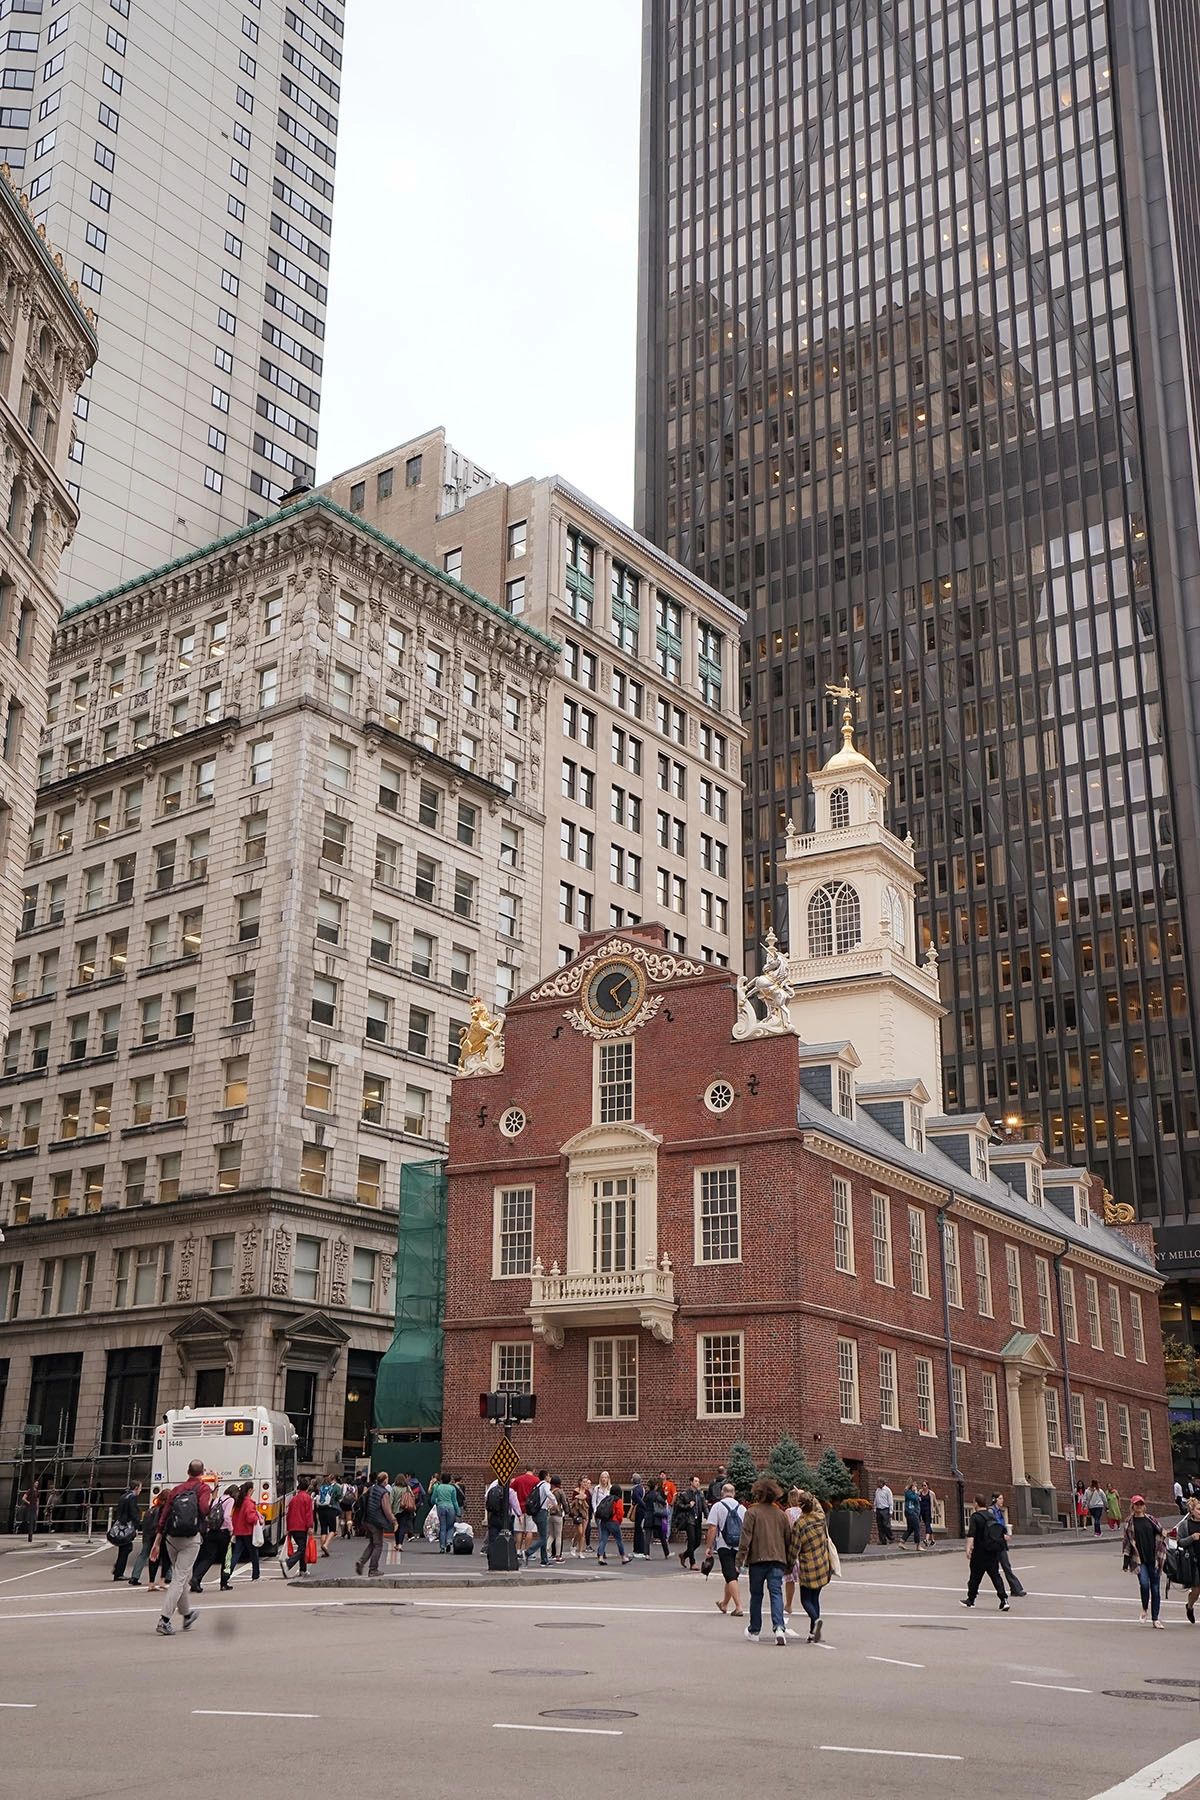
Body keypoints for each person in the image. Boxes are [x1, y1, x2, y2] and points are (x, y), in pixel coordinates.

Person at [154, 1458, 213, 1636]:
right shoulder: (203, 1488)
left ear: (188, 1472)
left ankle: (187, 1614)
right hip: (191, 1539)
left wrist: (157, 1542)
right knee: (179, 1579)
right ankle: (164, 1619)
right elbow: (204, 1510)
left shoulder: (177, 1490)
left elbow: (164, 1517)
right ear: (202, 1473)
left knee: (183, 1577)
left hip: (171, 1538)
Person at [736, 1475, 792, 1645]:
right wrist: (789, 1562)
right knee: (776, 1592)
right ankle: (779, 1628)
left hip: (758, 1559)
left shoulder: (752, 1512)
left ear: (758, 1494)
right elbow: (788, 1539)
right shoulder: (781, 1515)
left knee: (757, 1595)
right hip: (778, 1559)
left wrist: (739, 1560)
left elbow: (745, 1538)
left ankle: (754, 1630)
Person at [790, 1490, 834, 1644]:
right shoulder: (820, 1518)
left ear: (800, 1506)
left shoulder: (800, 1523)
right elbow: (819, 1506)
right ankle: (812, 1633)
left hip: (808, 1566)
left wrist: (789, 1564)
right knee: (815, 1598)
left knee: (805, 1600)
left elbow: (794, 1548)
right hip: (822, 1563)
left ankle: (815, 1621)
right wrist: (807, 1495)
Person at [960, 1494, 1010, 1611]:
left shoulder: (975, 1517)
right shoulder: (991, 1516)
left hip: (979, 1552)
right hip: (992, 1551)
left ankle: (971, 1599)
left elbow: (971, 1534)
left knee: (975, 1577)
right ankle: (1004, 1599)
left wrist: (968, 1548)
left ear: (976, 1503)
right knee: (996, 1576)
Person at [1123, 1495, 1166, 1628]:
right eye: (1137, 1504)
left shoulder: (1151, 1520)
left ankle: (1155, 1618)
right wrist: (1125, 1562)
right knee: (1144, 1584)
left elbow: (1161, 1532)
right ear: (1133, 1506)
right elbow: (1127, 1543)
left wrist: (1165, 1533)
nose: (1139, 1506)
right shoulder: (1129, 1523)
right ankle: (1144, 1609)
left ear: (1144, 1506)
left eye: (1141, 1504)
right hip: (1139, 1559)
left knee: (1156, 1589)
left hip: (1154, 1559)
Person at [706, 1481, 745, 1617]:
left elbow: (712, 1528)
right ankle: (724, 1604)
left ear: (722, 1493)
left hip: (724, 1545)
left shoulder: (717, 1506)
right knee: (732, 1576)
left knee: (730, 1575)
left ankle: (739, 1606)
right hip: (739, 1546)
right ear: (733, 1493)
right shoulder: (742, 1508)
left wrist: (709, 1546)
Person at [191, 1485, 236, 1594]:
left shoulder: (217, 1499)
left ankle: (196, 1578)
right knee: (226, 1558)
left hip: (212, 1531)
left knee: (208, 1557)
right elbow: (226, 1516)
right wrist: (231, 1529)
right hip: (223, 1532)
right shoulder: (230, 1500)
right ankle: (224, 1583)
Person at [355, 1470, 396, 1576]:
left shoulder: (371, 1489)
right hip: (377, 1521)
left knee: (372, 1543)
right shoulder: (384, 1492)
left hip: (368, 1519)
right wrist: (393, 1521)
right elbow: (386, 1509)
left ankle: (361, 1561)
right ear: (385, 1480)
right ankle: (373, 1569)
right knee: (378, 1545)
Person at [127, 1490, 170, 1589]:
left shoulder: (150, 1510)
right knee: (166, 1557)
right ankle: (165, 1578)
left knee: (146, 1556)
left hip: (148, 1537)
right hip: (159, 1537)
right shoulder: (163, 1510)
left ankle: (136, 1577)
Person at [989, 1493, 1026, 1597]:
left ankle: (1015, 1588)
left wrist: (1006, 1532)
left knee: (1006, 1566)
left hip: (1000, 1542)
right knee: (986, 1567)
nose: (1002, 1500)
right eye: (1000, 1498)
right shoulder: (991, 1511)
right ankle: (973, 1588)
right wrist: (1002, 1535)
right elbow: (992, 1527)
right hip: (995, 1543)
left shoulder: (999, 1512)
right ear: (994, 1499)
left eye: (1002, 1498)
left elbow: (1000, 1525)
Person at [229, 1481, 263, 1581]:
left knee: (236, 1554)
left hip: (239, 1531)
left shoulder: (239, 1501)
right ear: (249, 1490)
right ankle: (255, 1575)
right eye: (253, 1489)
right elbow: (250, 1517)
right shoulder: (249, 1502)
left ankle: (226, 1574)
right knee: (254, 1555)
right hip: (248, 1531)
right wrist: (258, 1518)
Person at [282, 1476, 315, 1577]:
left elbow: (289, 1513)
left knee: (302, 1548)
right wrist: (310, 1526)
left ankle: (303, 1569)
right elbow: (308, 1514)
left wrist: (288, 1528)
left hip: (293, 1526)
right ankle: (289, 1563)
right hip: (302, 1526)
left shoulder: (294, 1499)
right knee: (302, 1549)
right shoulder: (307, 1498)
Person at [110, 1480, 142, 1581]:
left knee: (124, 1548)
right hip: (127, 1526)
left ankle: (118, 1569)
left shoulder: (124, 1496)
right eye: (140, 1488)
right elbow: (133, 1513)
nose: (140, 1490)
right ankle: (119, 1572)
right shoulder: (132, 1497)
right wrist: (136, 1527)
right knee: (126, 1548)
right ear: (136, 1488)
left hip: (121, 1524)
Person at [1177, 1493, 1200, 1625]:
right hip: (1193, 1562)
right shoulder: (1185, 1525)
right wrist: (1192, 1538)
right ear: (1191, 1510)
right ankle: (1189, 1606)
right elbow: (1180, 1542)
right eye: (1198, 1509)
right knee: (1196, 1591)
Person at [595, 1480, 631, 1565]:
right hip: (613, 1522)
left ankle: (600, 1557)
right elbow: (620, 1513)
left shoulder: (606, 1499)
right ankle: (623, 1557)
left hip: (604, 1521)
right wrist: (619, 1521)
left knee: (603, 1540)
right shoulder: (618, 1500)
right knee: (619, 1540)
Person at [522, 1470, 552, 1567]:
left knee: (542, 1536)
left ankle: (544, 1559)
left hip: (536, 1513)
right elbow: (548, 1494)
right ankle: (528, 1552)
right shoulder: (546, 1485)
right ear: (546, 1476)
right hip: (542, 1512)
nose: (550, 1478)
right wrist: (555, 1502)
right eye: (549, 1476)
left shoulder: (538, 1485)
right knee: (544, 1538)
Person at [676, 1475, 706, 1570]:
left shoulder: (700, 1494)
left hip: (698, 1520)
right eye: (696, 1481)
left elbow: (704, 1506)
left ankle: (684, 1555)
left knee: (697, 1542)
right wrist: (688, 1506)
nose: (698, 1483)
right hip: (689, 1519)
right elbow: (678, 1505)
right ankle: (692, 1563)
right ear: (691, 1482)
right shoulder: (685, 1494)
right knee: (692, 1540)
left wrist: (708, 1516)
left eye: (698, 1481)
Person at [429, 1472, 462, 1555]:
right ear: (449, 1480)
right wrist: (458, 1511)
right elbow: (454, 1501)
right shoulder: (452, 1488)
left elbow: (432, 1500)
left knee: (442, 1527)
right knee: (450, 1526)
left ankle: (442, 1547)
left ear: (442, 1479)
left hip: (441, 1507)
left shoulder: (438, 1488)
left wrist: (437, 1502)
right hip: (450, 1507)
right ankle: (449, 1541)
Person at [315, 1474, 341, 1556]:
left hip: (321, 1510)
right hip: (331, 1509)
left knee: (323, 1529)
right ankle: (326, 1545)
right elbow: (339, 1496)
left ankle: (323, 1548)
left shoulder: (321, 1488)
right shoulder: (335, 1487)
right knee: (332, 1530)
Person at [648, 1479, 672, 1557]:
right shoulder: (656, 1494)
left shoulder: (647, 1494)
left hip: (649, 1517)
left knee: (647, 1537)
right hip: (657, 1517)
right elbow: (663, 1502)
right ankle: (667, 1553)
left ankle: (647, 1554)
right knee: (662, 1536)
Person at [545, 1477, 566, 1563]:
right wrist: (567, 1511)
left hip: (550, 1514)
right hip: (558, 1514)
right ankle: (558, 1556)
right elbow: (564, 1502)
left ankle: (546, 1550)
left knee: (551, 1535)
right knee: (558, 1536)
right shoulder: (560, 1492)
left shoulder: (549, 1491)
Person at [567, 1481, 589, 1557]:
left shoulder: (587, 1492)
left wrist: (583, 1497)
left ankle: (580, 1552)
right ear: (580, 1483)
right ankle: (573, 1545)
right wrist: (578, 1497)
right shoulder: (575, 1491)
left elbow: (588, 1503)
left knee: (583, 1533)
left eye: (586, 1482)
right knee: (579, 1532)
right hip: (577, 1513)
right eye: (584, 1482)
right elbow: (572, 1502)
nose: (585, 1484)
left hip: (585, 1514)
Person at [629, 1473, 648, 1558]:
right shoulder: (641, 1488)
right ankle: (638, 1549)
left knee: (638, 1530)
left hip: (639, 1510)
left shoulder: (636, 1489)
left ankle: (639, 1550)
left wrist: (644, 1506)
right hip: (641, 1510)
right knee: (639, 1529)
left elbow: (638, 1500)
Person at [873, 1479, 894, 1545]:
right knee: (880, 1526)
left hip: (885, 1509)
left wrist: (891, 1511)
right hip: (878, 1509)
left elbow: (890, 1501)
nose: (877, 1484)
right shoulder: (877, 1490)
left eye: (878, 1482)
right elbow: (876, 1500)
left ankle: (891, 1538)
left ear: (882, 1483)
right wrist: (875, 1508)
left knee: (886, 1525)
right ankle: (882, 1540)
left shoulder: (887, 1490)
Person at [901, 1479, 921, 1548]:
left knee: (910, 1528)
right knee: (917, 1527)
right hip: (911, 1512)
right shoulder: (908, 1493)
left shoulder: (912, 1493)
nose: (916, 1487)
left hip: (914, 1512)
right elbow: (914, 1499)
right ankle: (918, 1545)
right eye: (915, 1486)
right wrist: (915, 1493)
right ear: (911, 1486)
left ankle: (902, 1541)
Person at [918, 1481, 935, 1548]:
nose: (923, 1487)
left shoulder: (931, 1493)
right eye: (922, 1485)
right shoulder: (920, 1492)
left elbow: (935, 1502)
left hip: (928, 1511)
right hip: (922, 1511)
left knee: (927, 1524)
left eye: (925, 1485)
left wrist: (938, 1512)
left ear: (927, 1486)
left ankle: (926, 1539)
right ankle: (933, 1540)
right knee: (927, 1525)